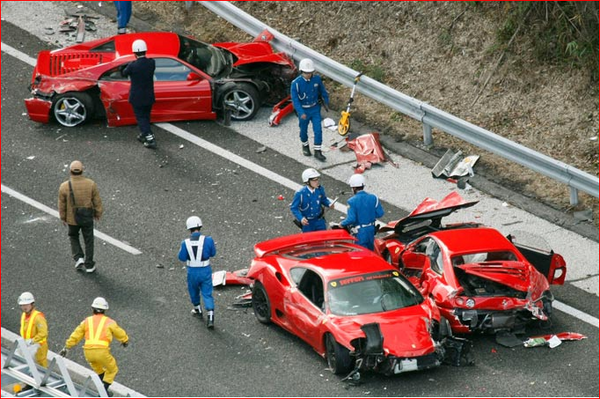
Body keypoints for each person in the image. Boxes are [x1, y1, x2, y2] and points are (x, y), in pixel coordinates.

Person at [59, 297, 129, 395]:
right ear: (105, 310)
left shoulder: (86, 321)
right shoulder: (109, 322)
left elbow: (76, 334)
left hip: (88, 352)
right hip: (102, 352)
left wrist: (66, 347)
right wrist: (125, 340)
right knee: (112, 369)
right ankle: (103, 392)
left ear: (93, 309)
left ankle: (104, 390)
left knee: (100, 370)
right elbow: (119, 332)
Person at [58, 160, 103, 273]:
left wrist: (63, 217)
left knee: (73, 235)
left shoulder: (64, 186)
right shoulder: (90, 184)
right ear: (82, 170)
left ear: (70, 171)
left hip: (72, 218)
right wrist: (98, 213)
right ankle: (89, 264)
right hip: (87, 217)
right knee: (88, 240)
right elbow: (97, 201)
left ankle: (78, 257)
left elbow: (62, 204)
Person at [178, 216, 217, 329]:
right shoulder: (208, 240)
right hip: (205, 270)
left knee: (193, 290)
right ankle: (210, 316)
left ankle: (197, 309)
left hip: (192, 271)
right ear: (200, 226)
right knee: (207, 293)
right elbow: (213, 253)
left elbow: (182, 257)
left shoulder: (185, 243)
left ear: (189, 228)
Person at [290, 58, 330, 162]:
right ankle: (305, 145)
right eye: (306, 73)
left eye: (310, 72)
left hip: (315, 108)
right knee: (303, 130)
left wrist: (326, 101)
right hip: (304, 111)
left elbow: (323, 91)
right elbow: (295, 100)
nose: (308, 74)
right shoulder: (296, 83)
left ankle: (318, 150)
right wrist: (301, 112)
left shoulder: (316, 79)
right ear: (301, 71)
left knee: (318, 130)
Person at [122, 39, 157, 149]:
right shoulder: (151, 63)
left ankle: (149, 137)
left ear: (134, 52)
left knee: (141, 118)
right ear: (145, 50)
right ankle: (143, 134)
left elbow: (124, 73)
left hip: (137, 97)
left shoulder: (133, 66)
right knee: (146, 116)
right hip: (149, 96)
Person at [340, 174, 384, 251]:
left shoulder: (351, 201)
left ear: (353, 188)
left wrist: (342, 224)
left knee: (360, 255)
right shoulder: (373, 197)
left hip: (360, 232)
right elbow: (380, 213)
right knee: (370, 252)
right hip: (371, 230)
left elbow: (351, 219)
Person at [290, 168, 334, 232]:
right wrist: (301, 218)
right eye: (314, 180)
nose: (317, 182)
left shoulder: (320, 189)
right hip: (308, 223)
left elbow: (323, 199)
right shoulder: (300, 193)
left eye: (317, 179)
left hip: (319, 220)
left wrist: (329, 204)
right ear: (307, 182)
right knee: (309, 240)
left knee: (323, 239)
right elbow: (294, 208)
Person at [18, 292, 48, 367]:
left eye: (27, 305)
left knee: (41, 367)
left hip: (38, 347)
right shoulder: (24, 315)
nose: (24, 307)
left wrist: (32, 341)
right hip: (27, 345)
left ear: (32, 304)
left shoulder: (38, 317)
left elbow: (43, 333)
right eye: (22, 305)